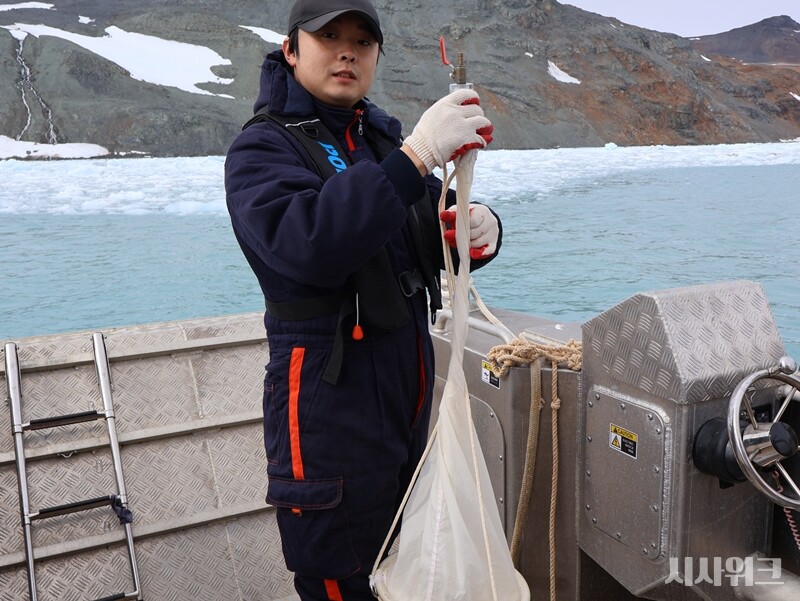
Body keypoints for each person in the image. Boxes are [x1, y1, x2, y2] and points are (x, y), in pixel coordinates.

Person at [224, 1, 502, 599]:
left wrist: (477, 230)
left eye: (362, 40)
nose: (347, 51)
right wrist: (419, 155)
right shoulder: (260, 151)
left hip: (406, 393)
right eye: (329, 36)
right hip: (329, 402)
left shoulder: (377, 140)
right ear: (292, 49)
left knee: (408, 557)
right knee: (340, 571)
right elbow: (310, 244)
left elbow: (430, 226)